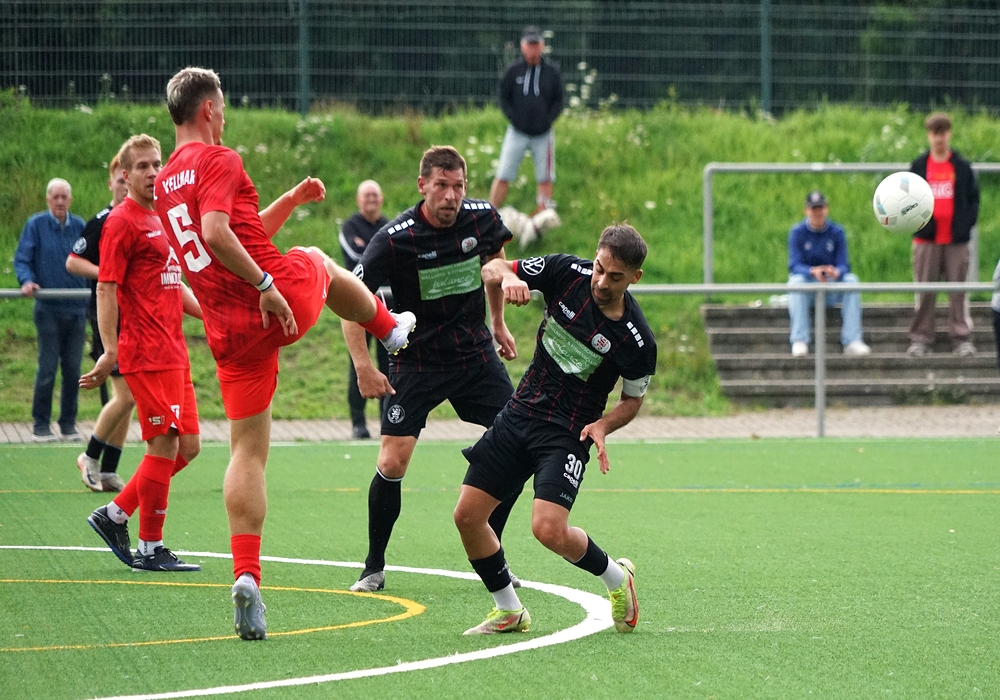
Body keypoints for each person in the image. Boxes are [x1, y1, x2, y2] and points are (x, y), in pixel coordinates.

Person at [153, 66, 414, 641]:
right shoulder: (219, 159)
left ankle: (247, 575)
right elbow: (219, 233)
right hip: (273, 300)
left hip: (227, 331)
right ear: (208, 110)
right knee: (317, 259)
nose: (224, 118)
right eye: (223, 108)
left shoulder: (164, 181)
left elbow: (238, 235)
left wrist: (291, 199)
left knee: (246, 451)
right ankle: (390, 328)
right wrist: (267, 285)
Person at [453, 223, 656, 635]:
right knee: (468, 517)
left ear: (634, 278)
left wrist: (604, 425)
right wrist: (507, 281)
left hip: (567, 432)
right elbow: (491, 269)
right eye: (599, 268)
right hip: (519, 413)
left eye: (615, 277)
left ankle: (617, 578)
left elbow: (632, 400)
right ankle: (509, 610)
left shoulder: (637, 341)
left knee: (547, 529)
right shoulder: (565, 272)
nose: (602, 281)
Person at [344, 145, 522, 594]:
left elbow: (495, 263)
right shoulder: (395, 237)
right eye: (441, 186)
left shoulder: (482, 218)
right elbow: (348, 299)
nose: (451, 196)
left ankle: (492, 553)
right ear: (423, 186)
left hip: (474, 355)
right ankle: (373, 566)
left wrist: (498, 322)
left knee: (520, 443)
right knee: (392, 460)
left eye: (458, 186)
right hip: (416, 360)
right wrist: (363, 365)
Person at [81, 134, 204, 573]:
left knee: (188, 447)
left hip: (174, 350)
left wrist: (212, 315)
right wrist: (109, 349)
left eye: (157, 164)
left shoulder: (165, 217)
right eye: (142, 167)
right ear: (125, 175)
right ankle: (151, 547)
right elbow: (106, 287)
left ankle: (115, 514)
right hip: (146, 352)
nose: (153, 173)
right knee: (164, 444)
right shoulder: (121, 222)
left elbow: (173, 282)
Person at [66, 155, 135, 492]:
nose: (125, 187)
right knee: (127, 394)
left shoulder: (140, 219)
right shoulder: (103, 221)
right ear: (112, 184)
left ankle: (109, 469)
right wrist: (108, 274)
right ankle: (89, 456)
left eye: (128, 181)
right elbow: (73, 261)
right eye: (120, 181)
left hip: (136, 318)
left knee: (130, 397)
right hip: (108, 316)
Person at [14, 178, 89, 441]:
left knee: (73, 371)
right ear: (47, 199)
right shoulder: (35, 225)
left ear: (70, 200)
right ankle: (41, 425)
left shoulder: (79, 226)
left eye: (63, 197)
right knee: (47, 369)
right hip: (48, 308)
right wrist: (26, 281)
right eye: (55, 197)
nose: (59, 201)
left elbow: (91, 260)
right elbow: (22, 259)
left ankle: (68, 424)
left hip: (77, 309)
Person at [907, 112, 981, 358]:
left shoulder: (962, 167)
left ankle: (961, 338)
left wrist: (965, 225)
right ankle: (921, 338)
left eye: (943, 132)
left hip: (956, 240)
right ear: (928, 135)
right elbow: (907, 200)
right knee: (924, 291)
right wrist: (918, 225)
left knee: (958, 292)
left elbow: (973, 200)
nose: (939, 138)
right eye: (934, 133)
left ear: (950, 134)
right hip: (926, 239)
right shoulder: (919, 166)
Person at [787, 191, 871, 358]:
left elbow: (844, 264)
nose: (817, 212)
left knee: (851, 280)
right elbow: (794, 265)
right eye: (813, 209)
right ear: (806, 210)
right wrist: (812, 271)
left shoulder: (837, 232)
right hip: (808, 286)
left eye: (820, 208)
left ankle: (852, 340)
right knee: (795, 282)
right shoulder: (797, 232)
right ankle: (800, 339)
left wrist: (836, 271)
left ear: (826, 209)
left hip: (830, 284)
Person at [489, 25, 563, 214]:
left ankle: (543, 216)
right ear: (522, 46)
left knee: (545, 177)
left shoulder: (552, 72)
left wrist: (548, 120)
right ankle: (491, 212)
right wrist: (514, 117)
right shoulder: (513, 71)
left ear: (542, 46)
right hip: (517, 132)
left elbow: (559, 100)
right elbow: (503, 96)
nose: (532, 49)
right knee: (504, 172)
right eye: (529, 45)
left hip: (543, 134)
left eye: (536, 44)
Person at [339, 179, 391, 439]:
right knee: (359, 362)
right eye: (366, 195)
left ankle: (388, 420)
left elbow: (399, 259)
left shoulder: (390, 226)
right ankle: (358, 423)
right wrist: (382, 257)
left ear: (381, 199)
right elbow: (357, 257)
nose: (371, 199)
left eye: (375, 195)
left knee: (389, 364)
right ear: (359, 200)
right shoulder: (350, 226)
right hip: (358, 305)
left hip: (389, 305)